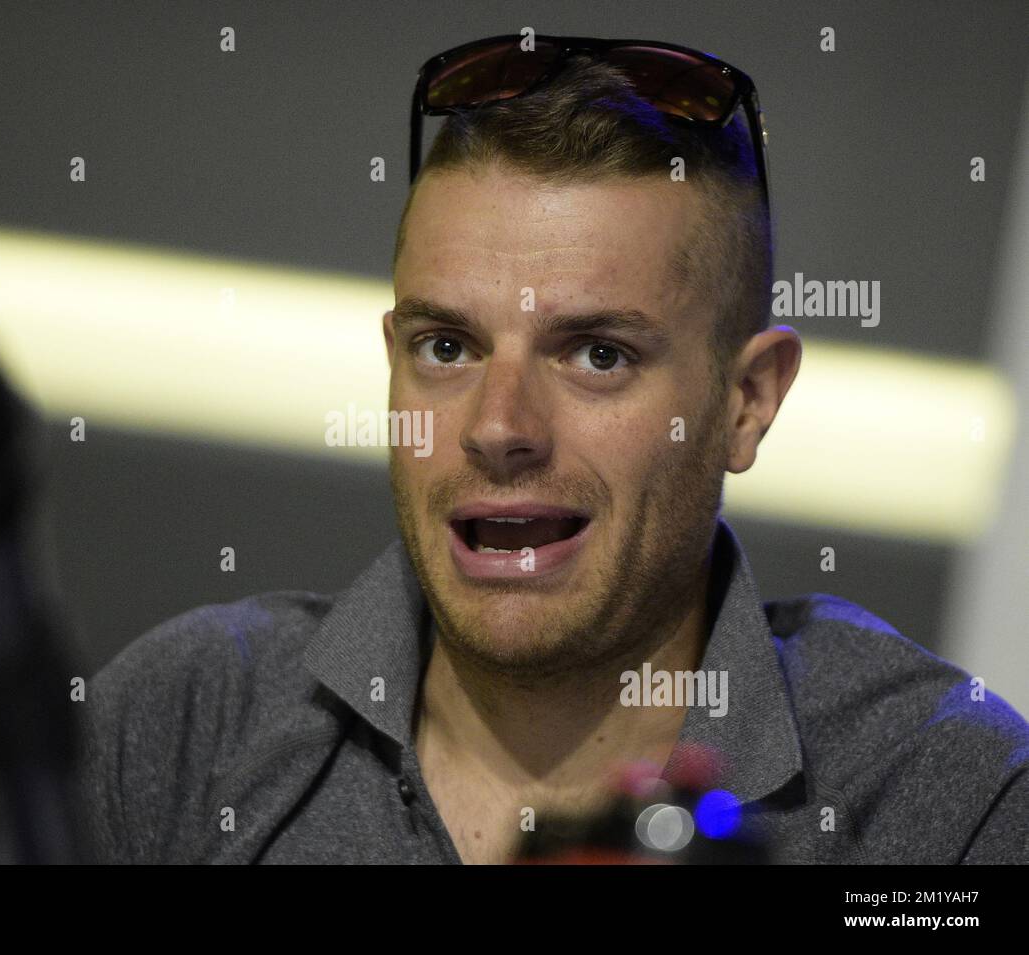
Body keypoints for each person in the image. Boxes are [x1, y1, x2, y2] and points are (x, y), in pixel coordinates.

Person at [77, 34, 1029, 864]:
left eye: (598, 354)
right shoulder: (180, 726)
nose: (499, 428)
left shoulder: (946, 802)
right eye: (446, 347)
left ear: (747, 402)